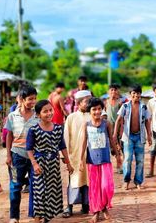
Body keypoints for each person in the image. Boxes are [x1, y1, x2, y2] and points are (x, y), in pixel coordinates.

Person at [26, 100, 73, 222]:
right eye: (45, 111)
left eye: (50, 110)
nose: (49, 113)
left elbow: (62, 146)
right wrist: (34, 164)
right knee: (39, 193)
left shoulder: (58, 128)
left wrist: (68, 163)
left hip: (53, 165)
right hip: (39, 165)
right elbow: (29, 149)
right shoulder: (33, 130)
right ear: (38, 115)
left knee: (51, 194)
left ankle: (46, 219)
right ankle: (37, 220)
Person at [6, 85, 39, 223]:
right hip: (17, 155)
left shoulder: (38, 115)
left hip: (35, 157)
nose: (33, 102)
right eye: (30, 99)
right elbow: (9, 135)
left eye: (35, 99)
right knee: (15, 186)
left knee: (36, 186)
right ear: (22, 99)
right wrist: (8, 155)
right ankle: (14, 217)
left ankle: (37, 215)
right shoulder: (12, 116)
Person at [80, 98, 115, 223]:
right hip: (92, 161)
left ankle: (105, 207)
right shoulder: (86, 125)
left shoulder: (107, 123)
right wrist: (80, 159)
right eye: (94, 109)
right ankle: (96, 211)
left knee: (106, 186)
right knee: (95, 188)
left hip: (105, 160)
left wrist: (118, 155)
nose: (97, 112)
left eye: (99, 109)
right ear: (89, 111)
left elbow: (111, 139)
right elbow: (84, 142)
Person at [114, 85, 152, 190]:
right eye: (134, 93)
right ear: (130, 94)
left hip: (140, 136)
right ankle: (126, 181)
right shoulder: (125, 106)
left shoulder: (143, 107)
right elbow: (118, 120)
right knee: (127, 159)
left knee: (140, 160)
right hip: (128, 136)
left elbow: (147, 122)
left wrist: (149, 135)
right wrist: (114, 134)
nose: (136, 95)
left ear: (140, 94)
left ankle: (138, 181)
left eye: (138, 93)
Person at [63, 90, 92, 218]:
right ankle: (69, 206)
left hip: (90, 155)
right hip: (74, 155)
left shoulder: (93, 116)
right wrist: (64, 156)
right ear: (79, 103)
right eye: (87, 101)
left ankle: (86, 205)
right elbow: (65, 137)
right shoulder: (71, 117)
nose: (89, 103)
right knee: (74, 180)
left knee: (88, 180)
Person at [105, 83, 125, 174]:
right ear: (108, 91)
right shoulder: (106, 102)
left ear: (117, 91)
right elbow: (104, 115)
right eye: (111, 90)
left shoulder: (120, 102)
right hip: (108, 128)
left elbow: (122, 118)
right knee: (110, 148)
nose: (113, 92)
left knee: (118, 147)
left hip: (117, 129)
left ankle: (119, 166)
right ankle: (108, 167)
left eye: (115, 90)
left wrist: (121, 130)